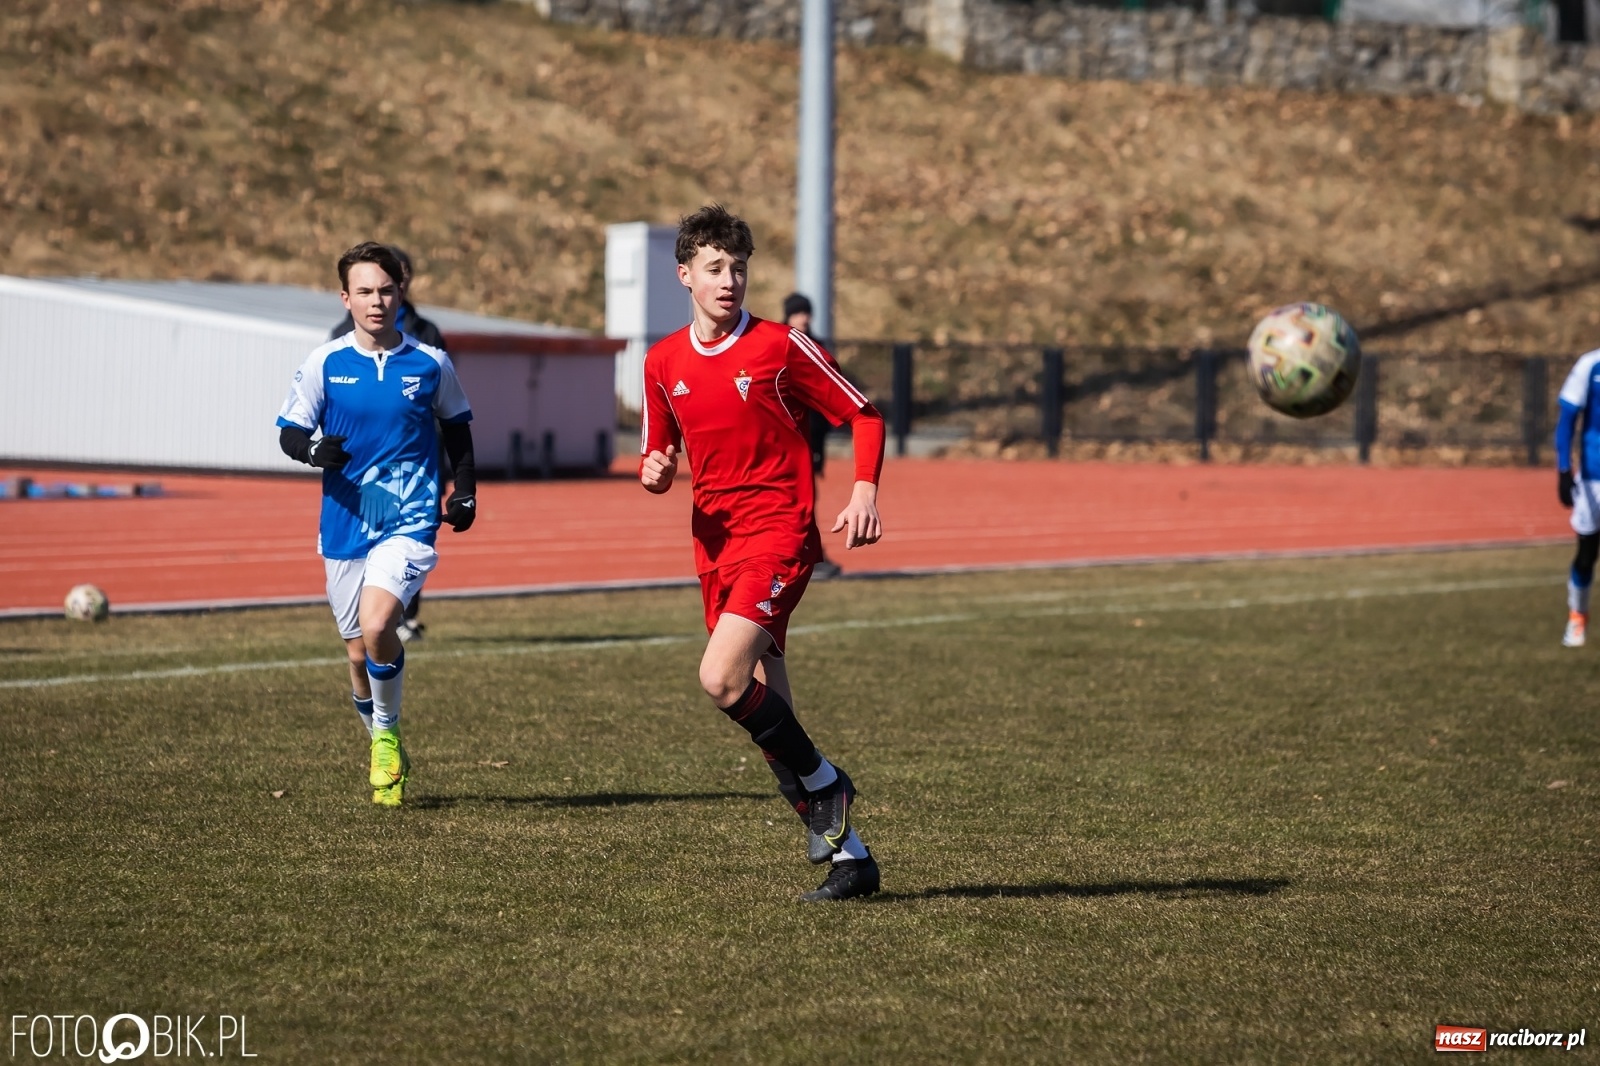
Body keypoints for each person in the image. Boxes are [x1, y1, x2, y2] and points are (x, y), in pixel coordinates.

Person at [640, 205, 887, 901]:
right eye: (715, 268)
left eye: (739, 268)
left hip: (779, 534)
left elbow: (863, 413)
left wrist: (864, 491)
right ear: (685, 275)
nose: (729, 280)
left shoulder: (781, 346)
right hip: (714, 545)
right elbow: (657, 453)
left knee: (720, 678)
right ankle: (853, 862)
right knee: (771, 715)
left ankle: (827, 784)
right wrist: (655, 471)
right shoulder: (662, 361)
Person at [279, 241, 477, 806]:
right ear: (345, 298)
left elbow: (458, 429)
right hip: (345, 518)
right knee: (355, 654)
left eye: (386, 290)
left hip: (408, 515)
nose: (376, 301)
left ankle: (386, 737)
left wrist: (465, 491)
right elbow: (290, 430)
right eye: (364, 291)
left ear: (400, 293)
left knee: (377, 624)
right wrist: (312, 451)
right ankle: (384, 746)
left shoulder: (430, 361)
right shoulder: (325, 362)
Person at [329, 245, 447, 643]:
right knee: (357, 636)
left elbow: (447, 405)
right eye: (367, 289)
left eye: (400, 276)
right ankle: (370, 627)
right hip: (359, 475)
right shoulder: (338, 341)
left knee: (407, 545)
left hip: (416, 470)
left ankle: (402, 615)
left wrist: (448, 466)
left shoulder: (426, 334)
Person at [783, 292, 843, 580]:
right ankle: (800, 557)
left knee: (805, 499)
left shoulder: (817, 346)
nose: (803, 318)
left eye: (806, 312)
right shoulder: (778, 343)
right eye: (798, 313)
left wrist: (819, 448)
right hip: (784, 439)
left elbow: (823, 404)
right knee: (789, 500)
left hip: (810, 439)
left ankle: (809, 556)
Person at [1557, 347, 1600, 647]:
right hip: (1592, 478)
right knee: (1587, 554)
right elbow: (1567, 420)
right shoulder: (1591, 364)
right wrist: (1563, 469)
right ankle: (1577, 616)